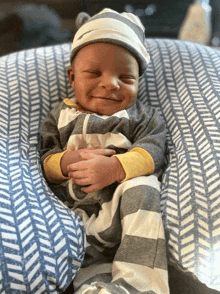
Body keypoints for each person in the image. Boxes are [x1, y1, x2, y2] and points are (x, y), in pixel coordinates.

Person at [39, 8, 169, 294]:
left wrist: (115, 168)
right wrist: (68, 162)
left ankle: (141, 283)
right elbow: (47, 158)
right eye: (94, 72)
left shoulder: (140, 117)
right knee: (84, 265)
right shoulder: (59, 116)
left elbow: (154, 149)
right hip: (74, 216)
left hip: (123, 210)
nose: (110, 83)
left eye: (126, 78)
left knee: (144, 186)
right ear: (72, 77)